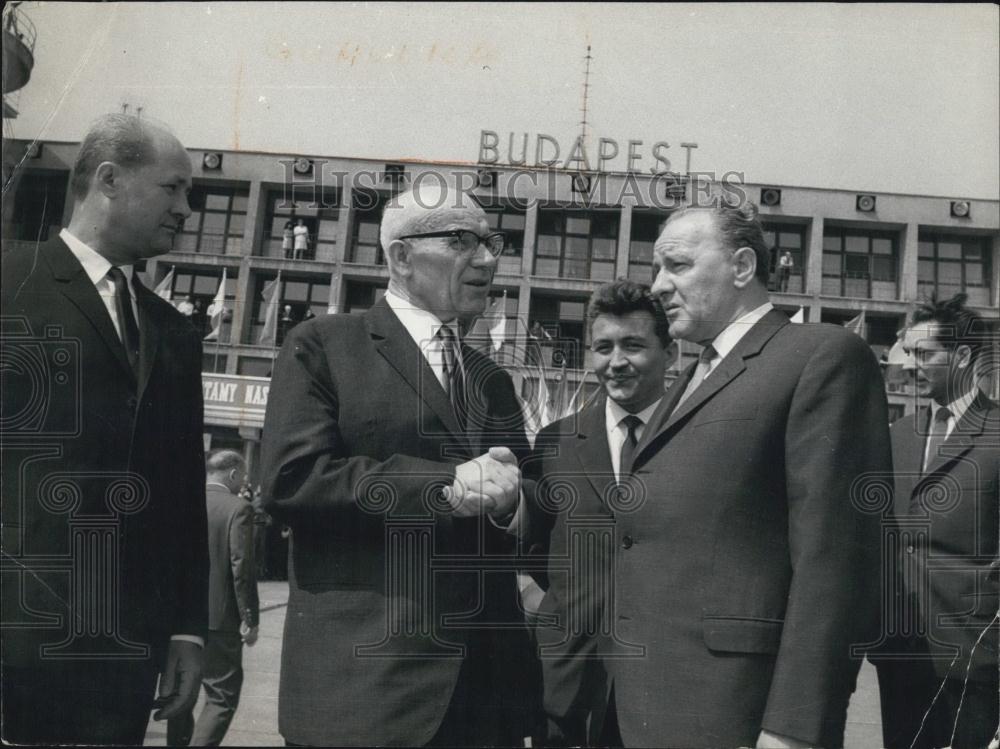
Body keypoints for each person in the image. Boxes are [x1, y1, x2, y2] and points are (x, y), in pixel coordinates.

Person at [592, 199, 890, 748]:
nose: (657, 285)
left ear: (743, 267)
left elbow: (836, 560)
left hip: (738, 714)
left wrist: (795, 727)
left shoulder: (821, 358)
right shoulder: (685, 382)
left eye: (677, 265)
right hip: (643, 705)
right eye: (657, 267)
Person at [260, 183, 539, 746]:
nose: (486, 258)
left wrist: (515, 505)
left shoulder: (492, 381)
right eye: (462, 240)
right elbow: (293, 480)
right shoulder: (324, 346)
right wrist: (443, 488)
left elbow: (527, 497)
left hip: (484, 696)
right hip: (368, 691)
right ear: (402, 256)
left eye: (491, 242)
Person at [1, 113, 209, 744]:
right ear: (110, 179)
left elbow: (181, 494)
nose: (186, 208)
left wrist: (186, 629)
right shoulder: (10, 283)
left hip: (123, 656)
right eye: (173, 188)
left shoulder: (172, 331)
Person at [530, 280, 676, 746]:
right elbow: (536, 553)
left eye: (634, 345)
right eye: (603, 347)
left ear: (669, 353)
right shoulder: (553, 442)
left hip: (662, 692)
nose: (616, 362)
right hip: (567, 691)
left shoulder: (700, 439)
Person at [872, 293, 998, 749]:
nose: (910, 366)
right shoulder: (899, 435)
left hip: (976, 659)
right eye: (909, 354)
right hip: (900, 653)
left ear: (963, 356)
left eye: (925, 355)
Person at [169, 450, 260, 747]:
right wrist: (249, 617)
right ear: (233, 474)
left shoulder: (181, 501)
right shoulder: (239, 508)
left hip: (177, 615)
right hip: (218, 618)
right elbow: (241, 567)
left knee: (180, 688)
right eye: (243, 476)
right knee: (221, 695)